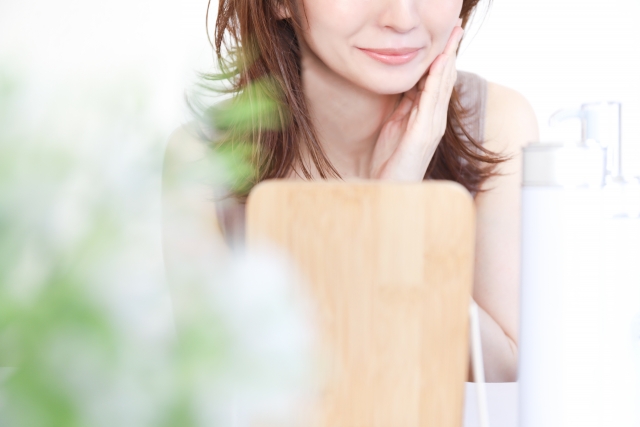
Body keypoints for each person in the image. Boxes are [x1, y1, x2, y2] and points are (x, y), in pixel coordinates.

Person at [163, 0, 539, 383]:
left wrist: (398, 217)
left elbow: (506, 377)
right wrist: (377, 220)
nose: (402, 18)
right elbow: (214, 390)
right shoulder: (204, 160)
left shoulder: (496, 124)